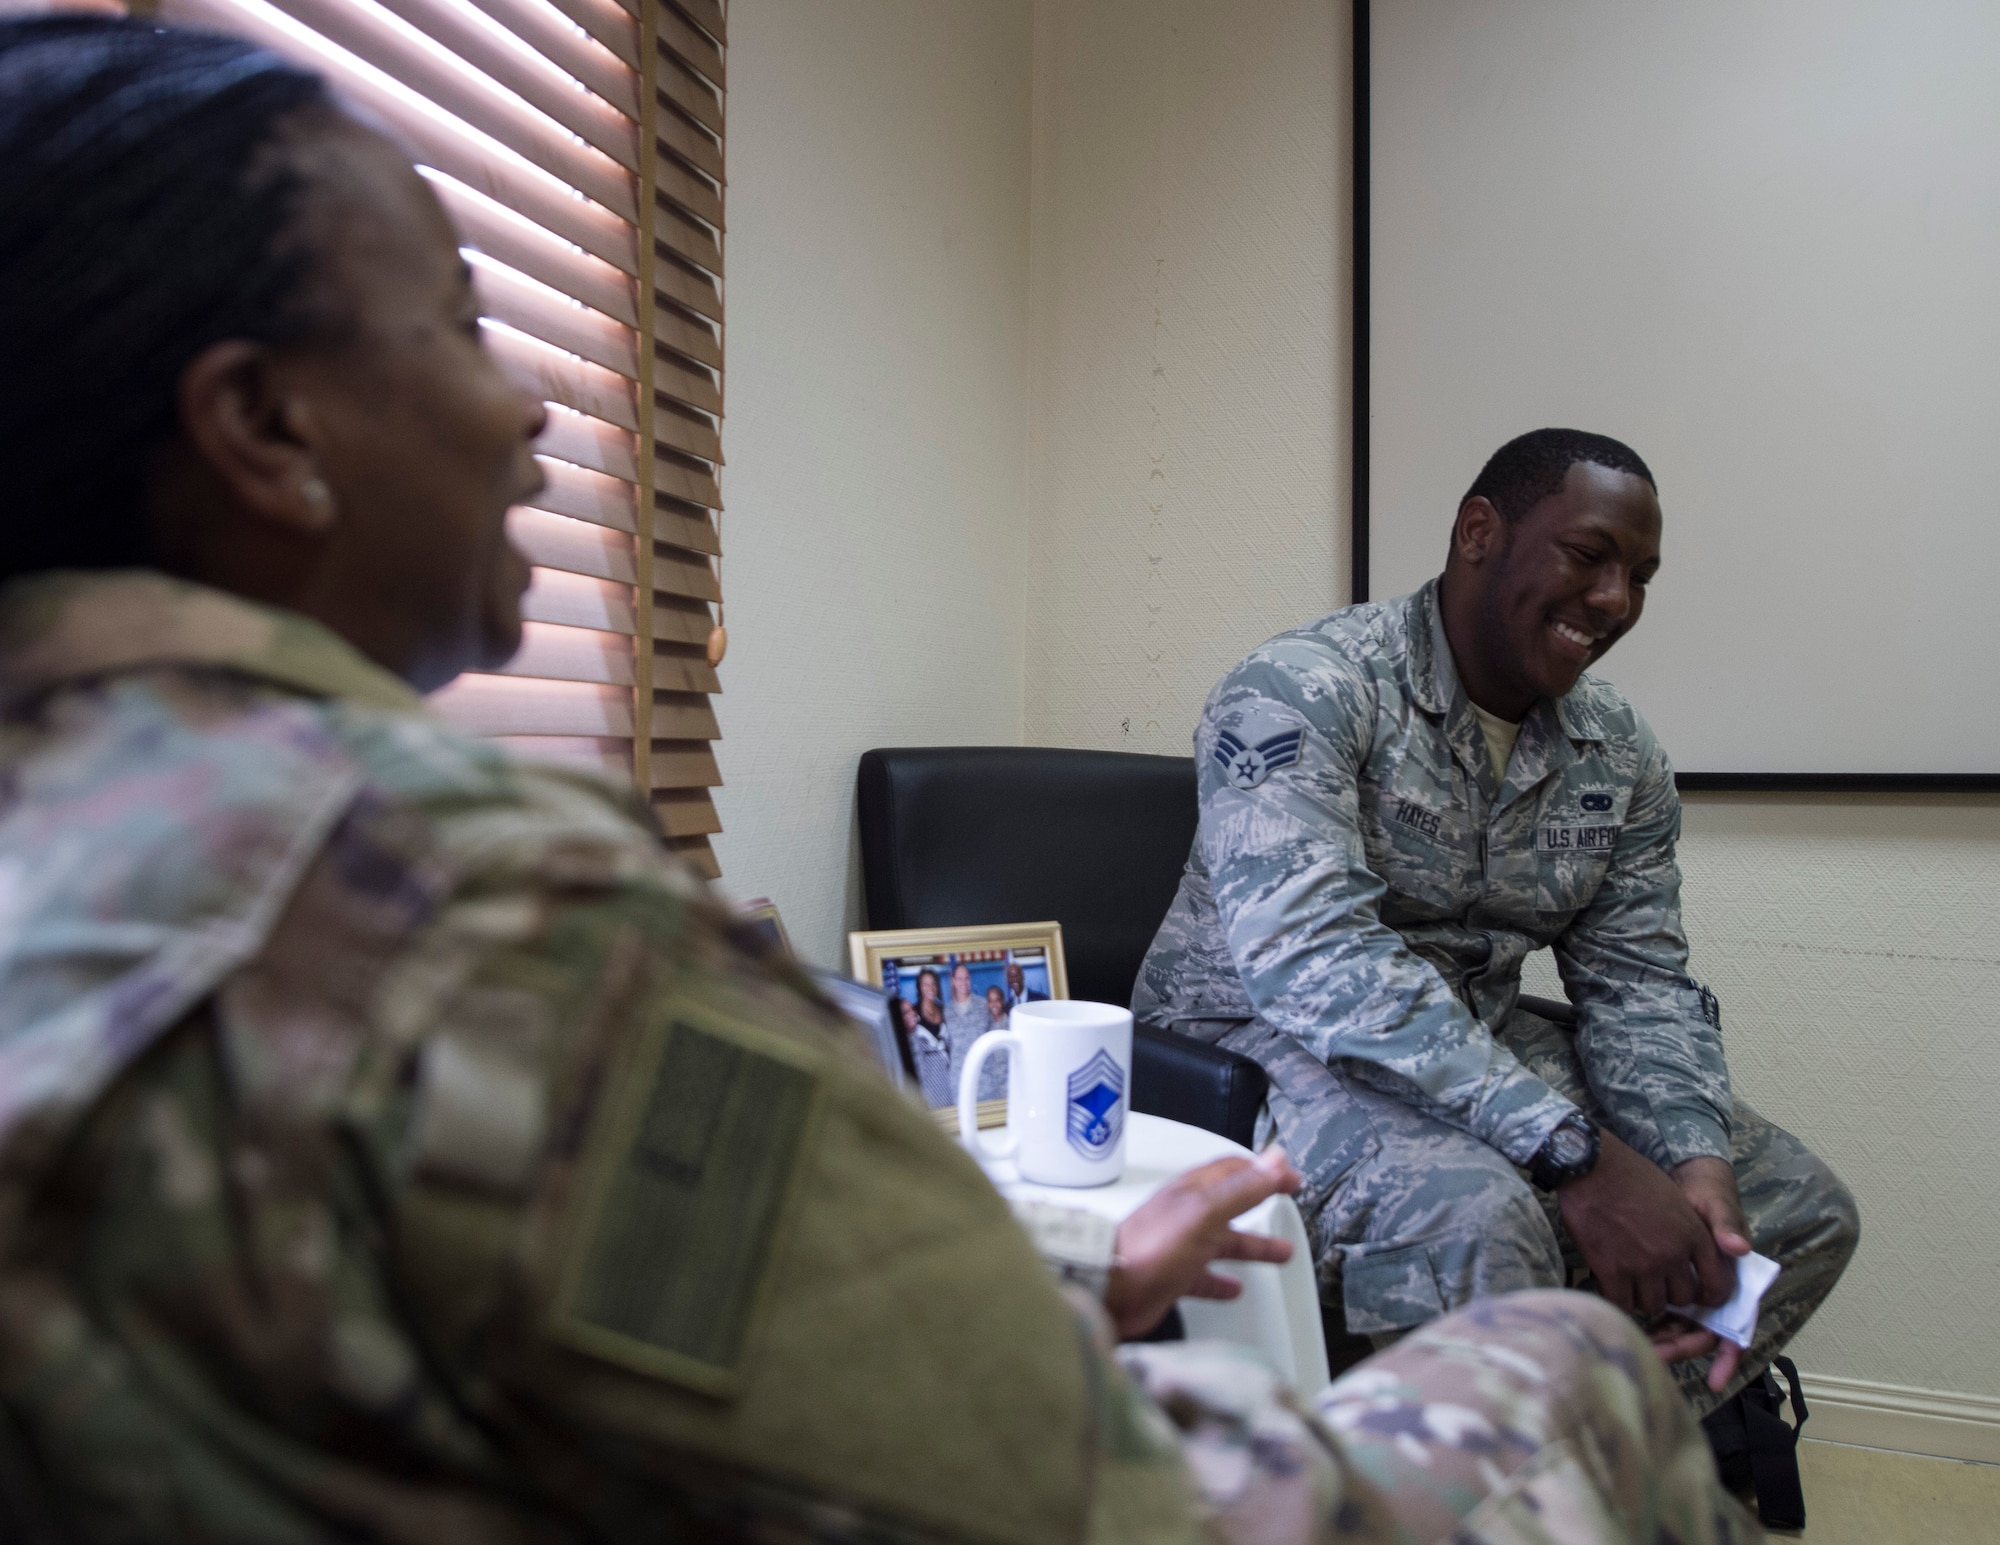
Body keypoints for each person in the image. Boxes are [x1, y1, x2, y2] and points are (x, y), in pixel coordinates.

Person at [0, 21, 1758, 1543]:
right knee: (1567, 1361)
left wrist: (1063, 1285)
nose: (534, 407)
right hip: (1285, 1117)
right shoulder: (486, 906)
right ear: (265, 430)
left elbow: (581, 1328)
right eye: (462, 325)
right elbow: (1075, 1496)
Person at [1136, 426, 1860, 1415]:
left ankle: (1580, 1443)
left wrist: (1691, 1163)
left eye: (1639, 576)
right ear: (1478, 531)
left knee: (1796, 1205)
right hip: (1258, 1046)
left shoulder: (1617, 752)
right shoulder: (1300, 690)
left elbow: (1635, 982)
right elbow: (1313, 963)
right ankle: (1488, 1484)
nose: (1613, 603)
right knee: (1474, 1216)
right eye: (1587, 555)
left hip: (1465, 1035)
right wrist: (1573, 1154)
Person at [943, 959, 1002, 1101]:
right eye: (959, 978)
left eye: (966, 978)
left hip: (985, 1082)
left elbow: (995, 1039)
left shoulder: (983, 1005)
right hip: (960, 1083)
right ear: (953, 981)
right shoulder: (946, 1011)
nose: (963, 982)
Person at [897, 993, 954, 1107]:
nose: (913, 1013)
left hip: (947, 1100)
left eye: (912, 1009)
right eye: (906, 1012)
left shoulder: (920, 1036)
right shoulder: (902, 1047)